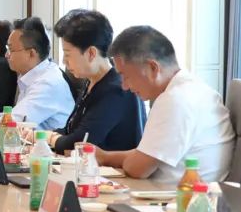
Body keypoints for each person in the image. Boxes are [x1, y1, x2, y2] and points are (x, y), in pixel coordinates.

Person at [95, 25, 233, 183]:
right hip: (186, 192)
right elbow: (145, 154)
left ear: (153, 67)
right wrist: (104, 157)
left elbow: (138, 168)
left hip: (179, 195)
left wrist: (126, 161)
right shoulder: (193, 89)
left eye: (125, 76)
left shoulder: (175, 100)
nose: (125, 86)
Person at [46, 10, 145, 153]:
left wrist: (49, 138)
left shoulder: (116, 89)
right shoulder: (92, 80)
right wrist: (41, 135)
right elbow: (71, 131)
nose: (64, 61)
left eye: (67, 54)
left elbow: (79, 143)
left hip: (111, 167)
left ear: (91, 53)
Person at [5, 17, 74, 130]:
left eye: (11, 50)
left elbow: (13, 122)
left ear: (31, 53)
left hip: (51, 142)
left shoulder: (48, 83)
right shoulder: (33, 75)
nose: (6, 55)